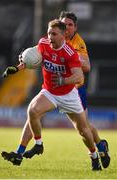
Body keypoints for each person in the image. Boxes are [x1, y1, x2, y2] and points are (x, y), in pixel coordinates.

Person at [1, 19, 101, 170]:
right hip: (50, 92)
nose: (50, 37)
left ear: (63, 35)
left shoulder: (70, 53)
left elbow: (79, 77)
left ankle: (94, 156)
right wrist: (16, 68)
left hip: (68, 95)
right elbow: (31, 58)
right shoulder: (44, 43)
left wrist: (63, 80)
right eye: (49, 33)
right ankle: (32, 147)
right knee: (33, 111)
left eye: (54, 34)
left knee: (83, 130)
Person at [59, 11, 110, 169]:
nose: (67, 28)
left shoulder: (77, 42)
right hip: (60, 89)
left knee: (82, 127)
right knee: (82, 126)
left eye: (70, 25)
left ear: (75, 27)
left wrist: (69, 56)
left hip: (76, 89)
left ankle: (95, 154)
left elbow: (87, 66)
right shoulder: (55, 37)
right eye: (64, 24)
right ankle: (100, 145)